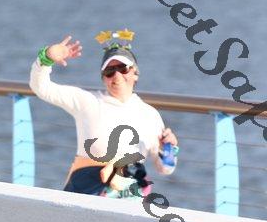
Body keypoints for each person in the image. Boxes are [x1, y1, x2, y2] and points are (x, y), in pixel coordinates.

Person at [29, 33, 179, 198]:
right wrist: (46, 58)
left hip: (129, 196)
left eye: (123, 68)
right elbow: (41, 88)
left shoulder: (150, 115)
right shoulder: (87, 101)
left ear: (135, 73)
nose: (117, 75)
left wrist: (168, 149)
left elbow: (166, 168)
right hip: (85, 191)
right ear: (103, 78)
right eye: (109, 71)